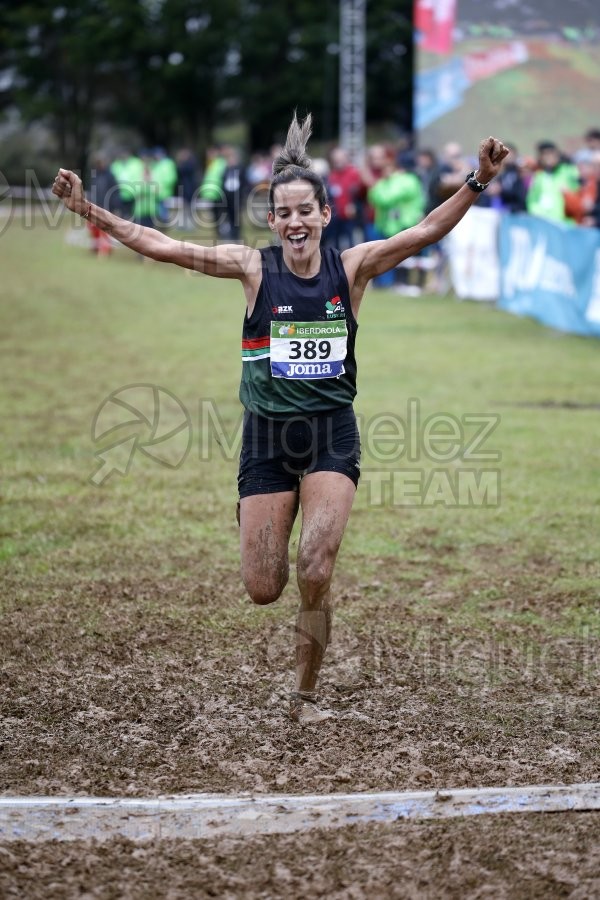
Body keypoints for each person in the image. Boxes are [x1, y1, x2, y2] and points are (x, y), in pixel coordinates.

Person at [52, 114, 508, 725]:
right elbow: (164, 245)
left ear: (324, 214)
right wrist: (90, 210)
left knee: (315, 566)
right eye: (283, 212)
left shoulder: (352, 268)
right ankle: (257, 510)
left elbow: (426, 231)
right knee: (263, 587)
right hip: (266, 440)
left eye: (305, 211)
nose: (295, 222)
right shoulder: (251, 269)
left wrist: (478, 178)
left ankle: (305, 692)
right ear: (272, 220)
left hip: (330, 435)